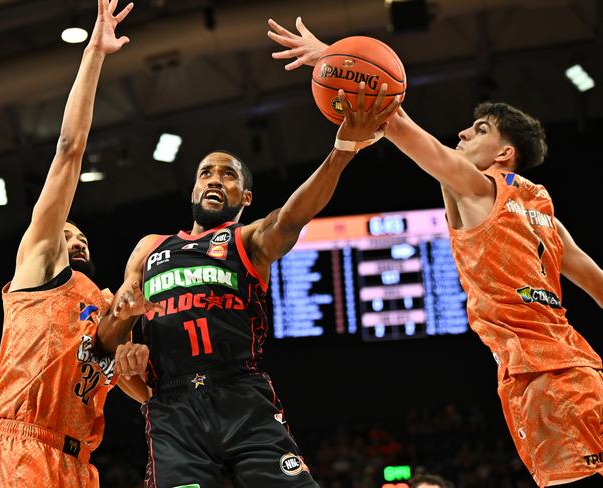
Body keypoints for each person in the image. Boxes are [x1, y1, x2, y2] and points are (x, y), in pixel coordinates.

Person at [267, 18, 603, 488]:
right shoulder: (541, 207)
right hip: (583, 369)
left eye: (479, 130)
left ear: (504, 154)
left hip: (542, 376)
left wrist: (334, 59)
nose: (463, 135)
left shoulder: (479, 187)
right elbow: (596, 281)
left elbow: (396, 121)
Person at [98, 83, 398, 486]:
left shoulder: (247, 241)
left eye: (229, 175)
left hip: (240, 394)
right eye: (206, 173)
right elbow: (107, 339)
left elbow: (292, 217)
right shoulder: (150, 247)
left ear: (247, 196)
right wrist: (124, 334)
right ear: (193, 191)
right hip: (172, 405)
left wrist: (342, 150)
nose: (216, 180)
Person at [0, 2, 151, 487]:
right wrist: (94, 53)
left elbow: (133, 390)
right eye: (65, 232)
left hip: (78, 466)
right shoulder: (39, 262)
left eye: (81, 235)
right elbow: (69, 150)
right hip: (20, 450)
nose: (74, 238)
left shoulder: (107, 304)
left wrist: (141, 364)